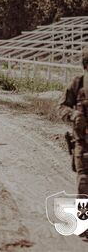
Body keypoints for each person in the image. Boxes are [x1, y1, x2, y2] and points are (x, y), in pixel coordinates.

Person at [59, 47, 88, 197]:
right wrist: (74, 115)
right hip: (83, 145)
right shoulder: (78, 84)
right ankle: (83, 220)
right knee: (84, 186)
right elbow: (62, 108)